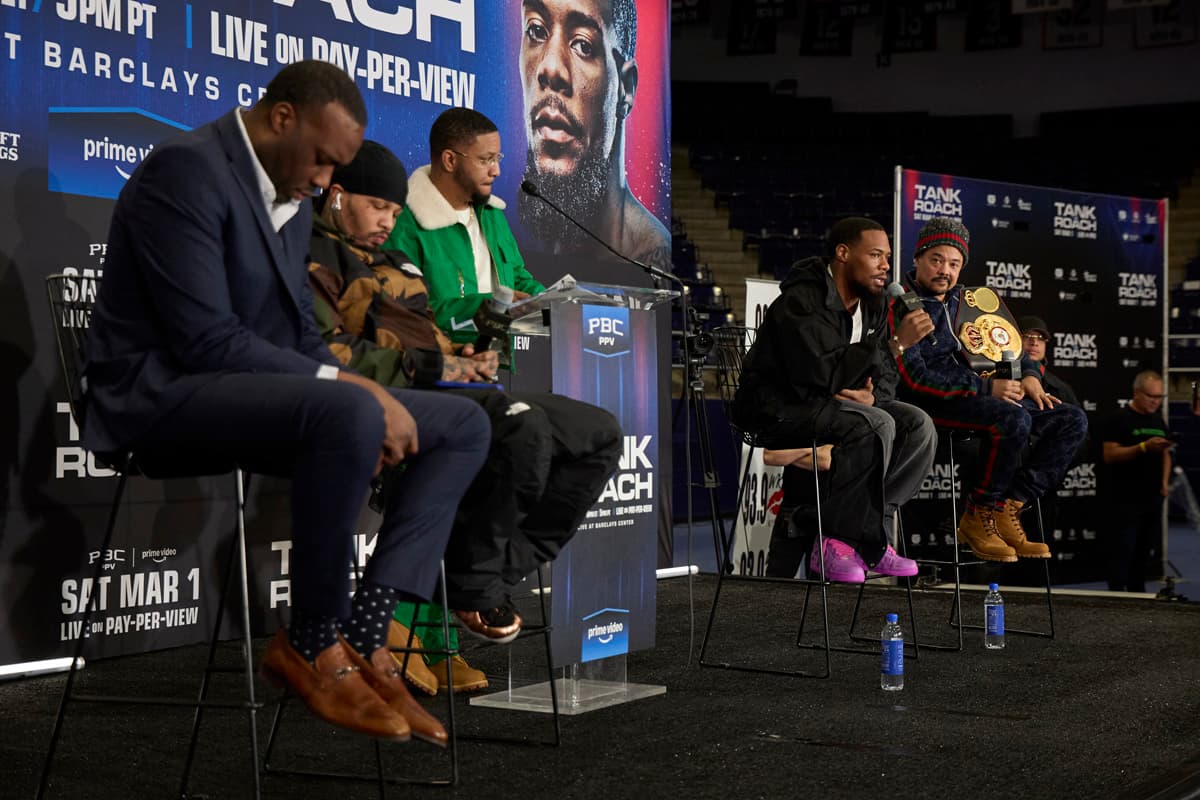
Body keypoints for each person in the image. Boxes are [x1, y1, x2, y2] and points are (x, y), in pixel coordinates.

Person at [81, 61, 492, 745]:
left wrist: (352, 381)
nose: (327, 181)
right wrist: (351, 387)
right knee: (352, 410)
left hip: (233, 387)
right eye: (323, 160)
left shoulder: (290, 196)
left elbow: (297, 334)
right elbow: (206, 341)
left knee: (462, 424)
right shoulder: (184, 172)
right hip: (155, 397)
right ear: (281, 120)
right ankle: (311, 641)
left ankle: (365, 634)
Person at [311, 140, 622, 691]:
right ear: (337, 197)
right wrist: (440, 366)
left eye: (393, 211)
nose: (388, 221)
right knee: (519, 431)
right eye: (378, 208)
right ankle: (461, 593)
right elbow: (328, 356)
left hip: (445, 384)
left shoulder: (396, 261)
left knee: (598, 433)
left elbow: (428, 332)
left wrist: (463, 360)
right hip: (385, 399)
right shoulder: (314, 257)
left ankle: (487, 578)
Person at [732, 217, 937, 583]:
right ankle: (837, 540)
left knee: (917, 425)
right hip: (777, 410)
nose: (886, 266)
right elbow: (818, 376)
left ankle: (867, 530)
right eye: (876, 255)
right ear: (843, 254)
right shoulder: (802, 301)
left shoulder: (872, 306)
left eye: (888, 257)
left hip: (832, 406)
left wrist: (872, 395)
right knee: (874, 424)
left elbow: (878, 378)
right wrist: (897, 346)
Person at [891, 217, 1089, 563]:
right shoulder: (902, 305)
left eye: (954, 264)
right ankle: (979, 513)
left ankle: (1007, 506)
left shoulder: (973, 301)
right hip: (934, 404)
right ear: (918, 260)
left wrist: (1028, 374)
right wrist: (985, 388)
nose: (945, 271)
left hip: (987, 398)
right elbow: (915, 380)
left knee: (1071, 419)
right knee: (1012, 419)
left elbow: (1009, 345)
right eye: (936, 260)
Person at [516, 0, 671, 270]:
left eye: (583, 45)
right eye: (536, 31)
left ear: (626, 88)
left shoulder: (652, 255)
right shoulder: (511, 245)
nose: (550, 69)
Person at [385, 108, 545, 345]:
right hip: (434, 364)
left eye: (497, 159)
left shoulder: (492, 215)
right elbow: (401, 310)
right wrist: (483, 307)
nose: (496, 171)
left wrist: (552, 302)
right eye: (485, 160)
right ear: (450, 160)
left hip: (492, 361)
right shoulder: (403, 223)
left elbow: (516, 280)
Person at [1100, 371, 1172, 592]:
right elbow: (1109, 454)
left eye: (1160, 397)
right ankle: (1116, 594)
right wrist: (1142, 447)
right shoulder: (1119, 419)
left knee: (1143, 550)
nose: (1156, 401)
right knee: (1123, 550)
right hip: (1124, 497)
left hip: (1152, 496)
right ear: (1137, 393)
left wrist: (1164, 482)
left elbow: (1166, 453)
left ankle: (1137, 593)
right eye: (1151, 396)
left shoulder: (1158, 419)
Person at [1018, 315, 1080, 407]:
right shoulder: (1000, 380)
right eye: (1027, 336)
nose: (1034, 342)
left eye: (1040, 338)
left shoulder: (1060, 388)